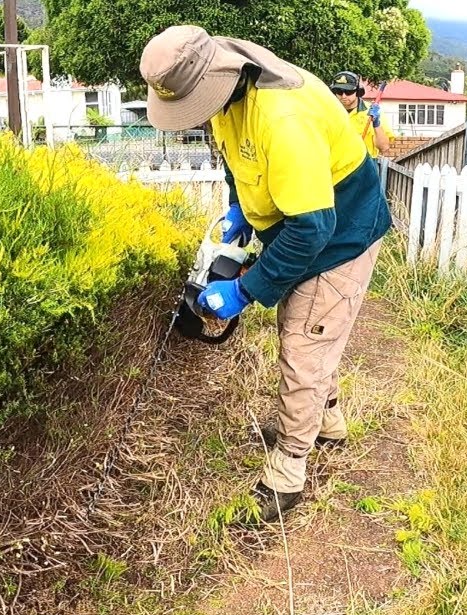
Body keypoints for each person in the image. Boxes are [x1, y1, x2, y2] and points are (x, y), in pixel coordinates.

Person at [139, 26, 392, 522]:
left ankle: (289, 469)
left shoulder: (283, 119)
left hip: (340, 233)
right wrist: (239, 207)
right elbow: (237, 159)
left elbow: (313, 228)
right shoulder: (228, 96)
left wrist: (244, 290)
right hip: (301, 223)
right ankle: (329, 422)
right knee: (315, 334)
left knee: (304, 343)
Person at [329, 71, 392, 158]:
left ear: (358, 91)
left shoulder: (371, 112)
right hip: (336, 167)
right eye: (339, 91)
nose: (343, 96)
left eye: (348, 92)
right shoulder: (329, 113)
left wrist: (376, 124)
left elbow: (384, 147)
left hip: (365, 167)